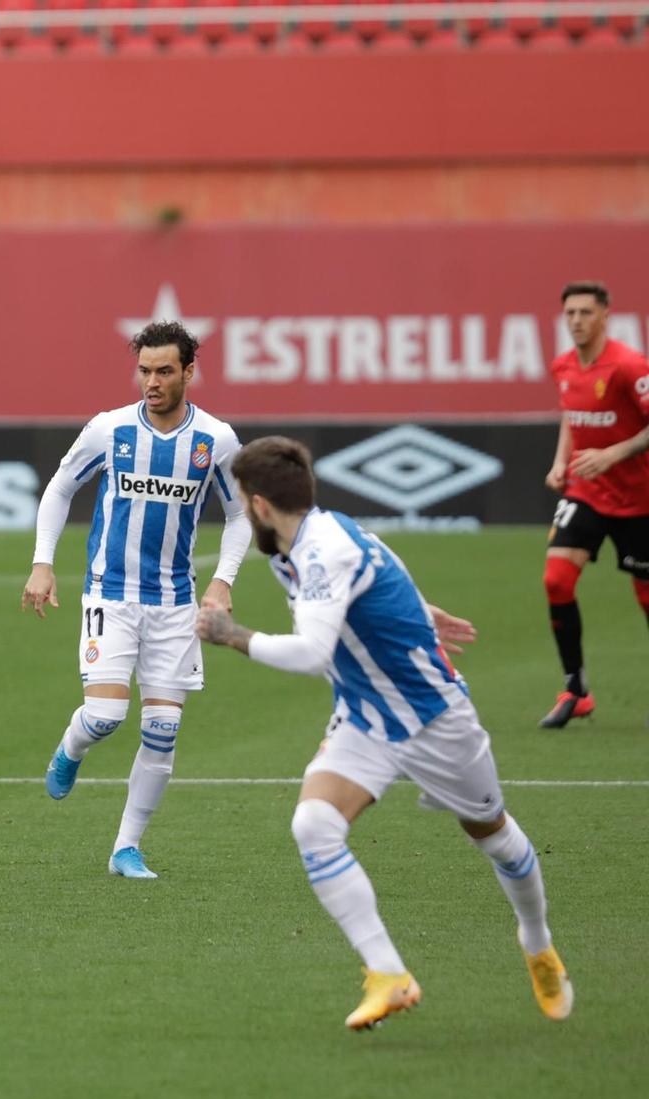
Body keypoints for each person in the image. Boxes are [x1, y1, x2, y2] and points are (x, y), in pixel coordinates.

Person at [196, 436, 571, 1031]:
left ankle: (537, 941)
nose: (242, 512)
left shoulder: (321, 551)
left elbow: (314, 652)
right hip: (365, 716)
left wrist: (230, 635)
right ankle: (389, 974)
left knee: (492, 834)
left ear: (261, 506)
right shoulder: (303, 539)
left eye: (242, 502)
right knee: (314, 824)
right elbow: (382, 558)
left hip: (434, 719)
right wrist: (422, 609)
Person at [21, 320, 252, 879]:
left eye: (164, 371)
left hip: (175, 604)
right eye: (145, 370)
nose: (151, 381)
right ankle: (71, 748)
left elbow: (243, 513)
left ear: (189, 372)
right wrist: (42, 563)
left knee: (163, 731)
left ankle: (126, 847)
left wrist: (223, 580)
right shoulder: (109, 430)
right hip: (111, 594)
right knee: (104, 716)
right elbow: (60, 487)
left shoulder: (216, 441)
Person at [540, 280, 649, 728]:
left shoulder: (629, 366)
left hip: (637, 499)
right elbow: (572, 413)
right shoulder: (563, 365)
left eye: (586, 312)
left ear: (606, 314)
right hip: (585, 494)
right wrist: (561, 461)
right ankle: (576, 689)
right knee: (556, 580)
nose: (577, 321)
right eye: (570, 314)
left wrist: (613, 453)